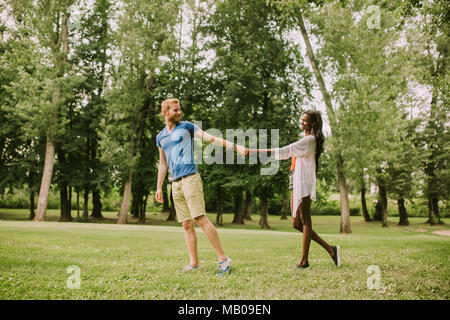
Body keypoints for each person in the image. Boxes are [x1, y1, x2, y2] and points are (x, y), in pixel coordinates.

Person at [155, 98, 248, 275]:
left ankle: (223, 260)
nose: (179, 112)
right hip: (175, 183)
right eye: (175, 110)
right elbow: (162, 164)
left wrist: (235, 147)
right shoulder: (161, 137)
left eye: (179, 109)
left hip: (190, 178)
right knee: (186, 224)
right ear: (165, 113)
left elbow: (210, 138)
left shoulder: (187, 127)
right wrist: (159, 187)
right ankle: (194, 263)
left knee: (200, 218)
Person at [250, 110, 340, 268]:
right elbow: (289, 153)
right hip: (294, 179)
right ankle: (331, 249)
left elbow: (286, 150)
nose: (302, 122)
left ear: (313, 123)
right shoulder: (305, 139)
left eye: (305, 120)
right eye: (302, 120)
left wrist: (253, 151)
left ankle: (304, 261)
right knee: (296, 223)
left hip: (303, 180)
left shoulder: (310, 140)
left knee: (305, 220)